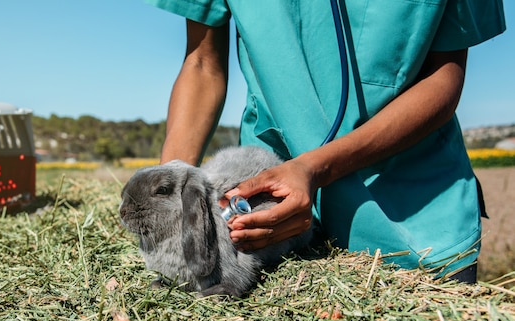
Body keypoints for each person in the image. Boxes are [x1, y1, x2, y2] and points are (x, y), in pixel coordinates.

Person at [146, 0, 506, 283]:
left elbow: (444, 77)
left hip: (416, 226)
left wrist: (313, 169)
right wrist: (168, 195)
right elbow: (202, 65)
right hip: (267, 225)